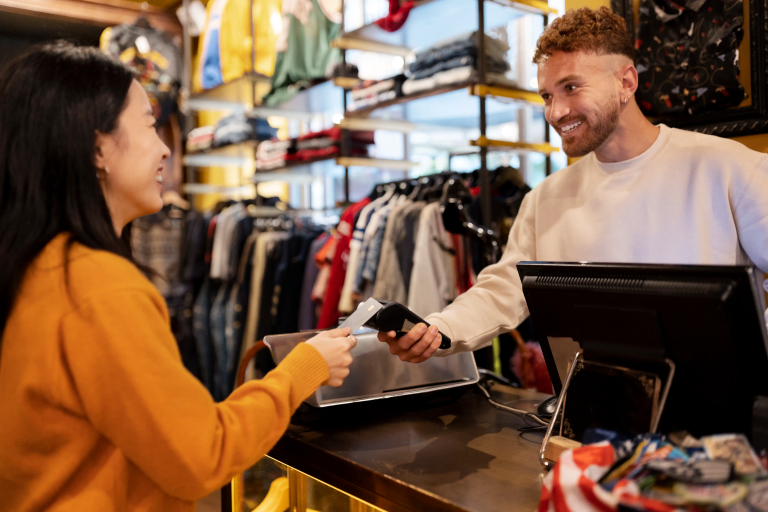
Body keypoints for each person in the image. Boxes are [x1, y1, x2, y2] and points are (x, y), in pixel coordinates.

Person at [0, 42, 356, 511]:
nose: (166, 148)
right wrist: (303, 367)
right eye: (149, 124)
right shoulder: (98, 287)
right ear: (97, 147)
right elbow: (201, 455)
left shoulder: (36, 266)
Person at [379, 6, 768, 363]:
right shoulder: (545, 198)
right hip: (592, 414)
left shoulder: (729, 168)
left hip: (717, 421)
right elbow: (502, 290)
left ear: (626, 82)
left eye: (571, 87)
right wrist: (439, 330)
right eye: (547, 95)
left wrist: (752, 356)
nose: (555, 112)